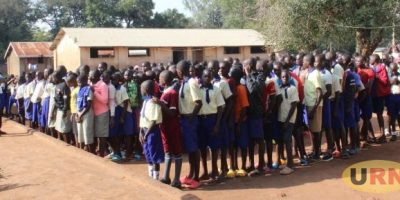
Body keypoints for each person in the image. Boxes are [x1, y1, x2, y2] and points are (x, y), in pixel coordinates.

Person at [177, 60, 202, 189]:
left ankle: (196, 177)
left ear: (180, 71)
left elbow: (198, 102)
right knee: (190, 149)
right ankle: (191, 174)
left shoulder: (191, 82)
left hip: (190, 119)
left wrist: (191, 118)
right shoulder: (183, 83)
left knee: (194, 148)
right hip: (184, 119)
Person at [156, 70, 183, 188]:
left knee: (176, 151)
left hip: (172, 126)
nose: (159, 80)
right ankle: (166, 177)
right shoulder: (165, 91)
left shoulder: (172, 93)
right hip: (165, 127)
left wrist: (160, 104)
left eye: (160, 78)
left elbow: (172, 113)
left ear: (164, 80)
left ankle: (176, 179)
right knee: (167, 150)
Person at [198, 69, 225, 183]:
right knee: (202, 147)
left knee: (214, 147)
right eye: (205, 76)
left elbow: (220, 107)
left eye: (209, 76)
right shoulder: (197, 90)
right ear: (201, 77)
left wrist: (217, 124)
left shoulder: (216, 89)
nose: (207, 78)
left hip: (212, 119)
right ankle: (205, 171)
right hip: (200, 120)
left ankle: (214, 171)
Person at [208, 60, 234, 179]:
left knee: (223, 145)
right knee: (213, 146)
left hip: (221, 117)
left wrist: (225, 117)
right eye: (210, 68)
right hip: (210, 117)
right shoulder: (205, 83)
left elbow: (230, 101)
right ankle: (214, 169)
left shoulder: (222, 83)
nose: (212, 70)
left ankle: (224, 169)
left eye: (214, 68)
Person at [243, 58, 266, 176]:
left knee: (259, 139)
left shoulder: (260, 76)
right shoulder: (244, 78)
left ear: (249, 67)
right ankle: (251, 164)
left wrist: (248, 76)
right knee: (251, 141)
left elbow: (253, 89)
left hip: (256, 112)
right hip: (248, 113)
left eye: (244, 66)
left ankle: (261, 165)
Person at [139, 80, 164, 180]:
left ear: (146, 89)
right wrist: (141, 131)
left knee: (154, 154)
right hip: (144, 130)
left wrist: (146, 134)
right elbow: (142, 117)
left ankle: (156, 177)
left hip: (152, 131)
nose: (140, 90)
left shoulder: (154, 102)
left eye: (141, 88)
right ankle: (150, 175)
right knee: (147, 152)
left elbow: (153, 121)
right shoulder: (145, 101)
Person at [277, 69, 299, 175]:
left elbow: (294, 105)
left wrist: (287, 121)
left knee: (287, 140)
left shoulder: (293, 89)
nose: (284, 78)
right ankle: (286, 162)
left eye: (286, 77)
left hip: (289, 119)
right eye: (283, 77)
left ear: (290, 77)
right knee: (282, 140)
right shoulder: (280, 89)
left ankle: (290, 165)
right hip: (281, 118)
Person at [230, 67, 250, 177]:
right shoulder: (233, 88)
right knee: (233, 145)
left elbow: (244, 107)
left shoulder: (241, 88)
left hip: (240, 122)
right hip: (233, 121)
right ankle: (234, 166)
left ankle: (243, 166)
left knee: (242, 145)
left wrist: (240, 123)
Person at [303, 54, 324, 160]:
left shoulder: (315, 74)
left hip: (314, 105)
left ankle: (317, 152)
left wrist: (314, 109)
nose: (303, 63)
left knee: (316, 130)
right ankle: (314, 150)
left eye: (304, 61)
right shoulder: (308, 73)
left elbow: (320, 92)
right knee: (312, 130)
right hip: (309, 104)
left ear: (308, 62)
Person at [314, 55, 334, 161]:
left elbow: (329, 91)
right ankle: (317, 150)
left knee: (327, 126)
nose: (314, 63)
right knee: (318, 127)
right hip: (316, 102)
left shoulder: (326, 74)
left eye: (316, 62)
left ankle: (330, 149)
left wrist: (321, 98)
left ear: (321, 62)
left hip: (325, 102)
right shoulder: (314, 73)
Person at [370, 54, 390, 143]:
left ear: (375, 60)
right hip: (372, 94)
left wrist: (378, 77)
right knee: (368, 115)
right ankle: (370, 136)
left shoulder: (381, 68)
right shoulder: (371, 68)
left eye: (371, 58)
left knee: (379, 114)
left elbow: (385, 81)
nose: (370, 59)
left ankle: (383, 135)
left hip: (379, 95)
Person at [90, 70, 109, 157]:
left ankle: (101, 153)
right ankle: (95, 152)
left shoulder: (103, 85)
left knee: (101, 135)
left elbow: (105, 100)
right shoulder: (90, 84)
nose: (89, 77)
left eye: (91, 75)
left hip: (102, 113)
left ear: (96, 76)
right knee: (94, 134)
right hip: (92, 113)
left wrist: (94, 92)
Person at [357, 56, 376, 144]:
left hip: (366, 96)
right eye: (356, 60)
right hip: (357, 96)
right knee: (359, 117)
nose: (357, 62)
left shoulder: (370, 71)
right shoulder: (356, 70)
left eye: (359, 60)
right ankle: (366, 135)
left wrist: (361, 88)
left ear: (364, 61)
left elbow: (370, 84)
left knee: (367, 117)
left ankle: (365, 135)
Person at [125, 70, 141, 160]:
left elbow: (136, 97)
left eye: (128, 75)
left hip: (135, 109)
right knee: (130, 133)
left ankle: (137, 151)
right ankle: (130, 151)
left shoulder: (134, 85)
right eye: (125, 75)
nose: (126, 77)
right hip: (128, 110)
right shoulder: (124, 85)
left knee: (137, 131)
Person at [76, 74, 95, 152]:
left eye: (80, 82)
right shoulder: (79, 90)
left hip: (87, 114)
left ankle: (91, 152)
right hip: (80, 114)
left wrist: (81, 114)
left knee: (87, 134)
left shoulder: (88, 89)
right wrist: (77, 113)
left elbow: (88, 104)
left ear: (84, 81)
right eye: (77, 82)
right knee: (81, 135)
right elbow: (77, 102)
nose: (78, 84)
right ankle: (84, 152)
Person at [54, 70, 73, 144]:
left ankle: (67, 143)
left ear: (57, 78)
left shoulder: (64, 85)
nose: (53, 79)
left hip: (64, 110)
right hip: (59, 109)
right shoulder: (57, 85)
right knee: (59, 128)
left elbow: (66, 97)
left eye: (54, 78)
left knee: (65, 129)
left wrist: (65, 109)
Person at [66, 73, 79, 147]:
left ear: (72, 82)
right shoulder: (73, 89)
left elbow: (78, 102)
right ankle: (77, 145)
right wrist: (72, 113)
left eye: (68, 83)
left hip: (77, 113)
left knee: (76, 131)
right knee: (74, 131)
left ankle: (78, 146)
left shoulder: (78, 89)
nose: (67, 85)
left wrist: (76, 113)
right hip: (73, 112)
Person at [387, 63, 399, 141]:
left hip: (399, 96)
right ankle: (393, 133)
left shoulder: (399, 75)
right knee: (392, 115)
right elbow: (386, 84)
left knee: (399, 116)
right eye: (392, 70)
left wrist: (397, 81)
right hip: (391, 96)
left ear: (397, 69)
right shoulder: (388, 75)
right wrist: (390, 82)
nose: (393, 71)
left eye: (394, 70)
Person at [40, 68, 54, 134]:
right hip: (45, 100)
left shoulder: (51, 80)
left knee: (47, 117)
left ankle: (49, 133)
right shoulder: (46, 81)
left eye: (45, 72)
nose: (44, 73)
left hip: (48, 100)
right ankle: (46, 132)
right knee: (44, 118)